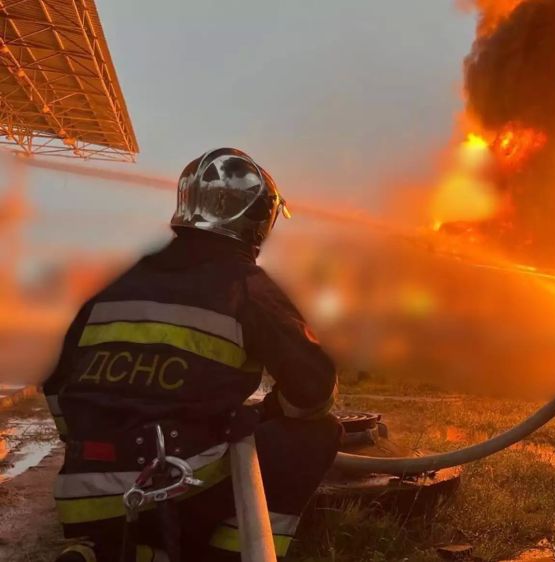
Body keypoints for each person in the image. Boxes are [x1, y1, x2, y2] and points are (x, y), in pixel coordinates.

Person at [44, 148, 343, 561]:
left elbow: (56, 382)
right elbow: (316, 391)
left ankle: (110, 550)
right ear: (258, 221)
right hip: (172, 489)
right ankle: (225, 553)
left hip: (81, 496)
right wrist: (269, 412)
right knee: (317, 433)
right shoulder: (245, 285)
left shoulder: (116, 284)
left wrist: (96, 439)